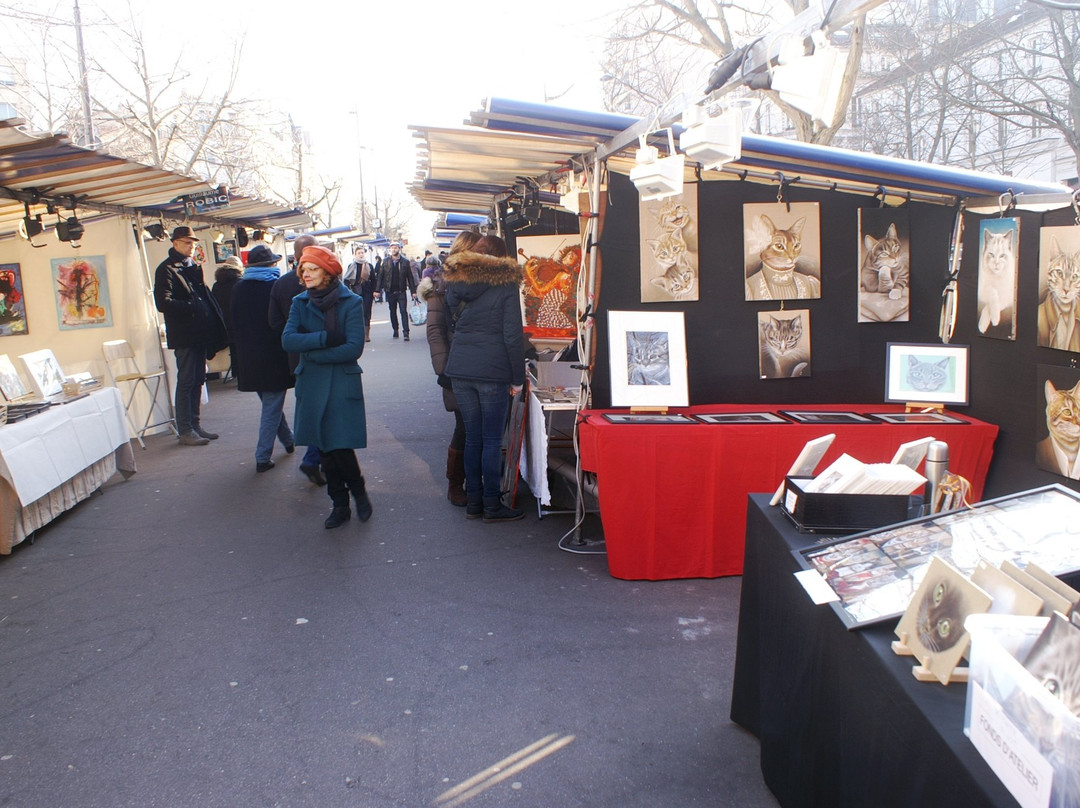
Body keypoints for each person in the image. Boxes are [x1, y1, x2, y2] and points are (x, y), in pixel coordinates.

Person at [282, 245, 373, 529]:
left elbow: (353, 347)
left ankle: (358, 492)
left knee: (340, 445)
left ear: (329, 273)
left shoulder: (351, 302)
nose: (306, 275)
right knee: (323, 447)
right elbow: (288, 340)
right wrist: (325, 338)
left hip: (340, 383)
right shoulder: (299, 302)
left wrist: (313, 353)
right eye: (303, 270)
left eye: (312, 269)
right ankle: (339, 504)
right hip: (311, 384)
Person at [443, 234, 526, 522]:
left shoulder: (456, 280)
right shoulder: (505, 284)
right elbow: (513, 335)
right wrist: (518, 378)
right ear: (501, 257)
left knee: (474, 438)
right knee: (491, 439)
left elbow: (452, 320)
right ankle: (491, 503)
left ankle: (474, 501)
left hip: (461, 367)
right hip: (492, 370)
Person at [417, 231, 481, 507]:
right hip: (455, 366)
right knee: (465, 426)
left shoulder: (485, 281)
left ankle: (476, 479)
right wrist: (443, 368)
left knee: (480, 426)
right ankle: (456, 482)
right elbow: (435, 331)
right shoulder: (440, 286)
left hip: (482, 362)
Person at [153, 225, 228, 446]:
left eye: (193, 243)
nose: (191, 247)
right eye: (187, 242)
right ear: (175, 243)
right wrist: (192, 306)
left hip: (197, 333)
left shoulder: (190, 266)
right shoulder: (166, 269)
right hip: (185, 335)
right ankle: (185, 429)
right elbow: (163, 302)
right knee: (187, 381)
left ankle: (194, 426)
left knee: (197, 380)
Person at [230, 244, 295, 472]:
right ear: (271, 265)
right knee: (272, 405)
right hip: (273, 356)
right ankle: (262, 456)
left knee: (271, 403)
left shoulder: (238, 289)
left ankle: (288, 440)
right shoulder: (274, 287)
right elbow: (283, 322)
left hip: (249, 358)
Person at [269, 234, 325, 485]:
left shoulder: (280, 284)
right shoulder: (322, 280)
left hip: (296, 359)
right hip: (322, 357)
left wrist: (294, 338)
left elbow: (275, 323)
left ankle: (314, 456)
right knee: (325, 411)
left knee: (309, 408)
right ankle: (314, 457)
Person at [374, 241, 418, 340]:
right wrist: (377, 290)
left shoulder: (405, 262)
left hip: (401, 291)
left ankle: (406, 332)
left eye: (395, 248)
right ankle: (395, 329)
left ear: (399, 249)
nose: (393, 250)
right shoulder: (385, 261)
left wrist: (413, 292)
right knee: (392, 311)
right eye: (392, 248)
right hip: (390, 291)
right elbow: (380, 276)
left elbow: (410, 277)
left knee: (403, 311)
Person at [212, 255, 243, 378]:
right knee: (241, 349)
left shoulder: (217, 285)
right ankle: (242, 374)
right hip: (238, 321)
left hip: (223, 322)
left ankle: (236, 373)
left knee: (233, 349)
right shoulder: (240, 282)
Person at [345, 244, 375, 342]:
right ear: (355, 255)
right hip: (355, 291)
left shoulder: (369, 266)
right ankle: (359, 333)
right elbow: (346, 279)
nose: (361, 255)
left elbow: (374, 280)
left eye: (362, 253)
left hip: (367, 292)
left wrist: (375, 291)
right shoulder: (352, 266)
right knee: (357, 312)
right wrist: (347, 291)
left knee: (367, 312)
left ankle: (367, 334)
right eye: (359, 253)